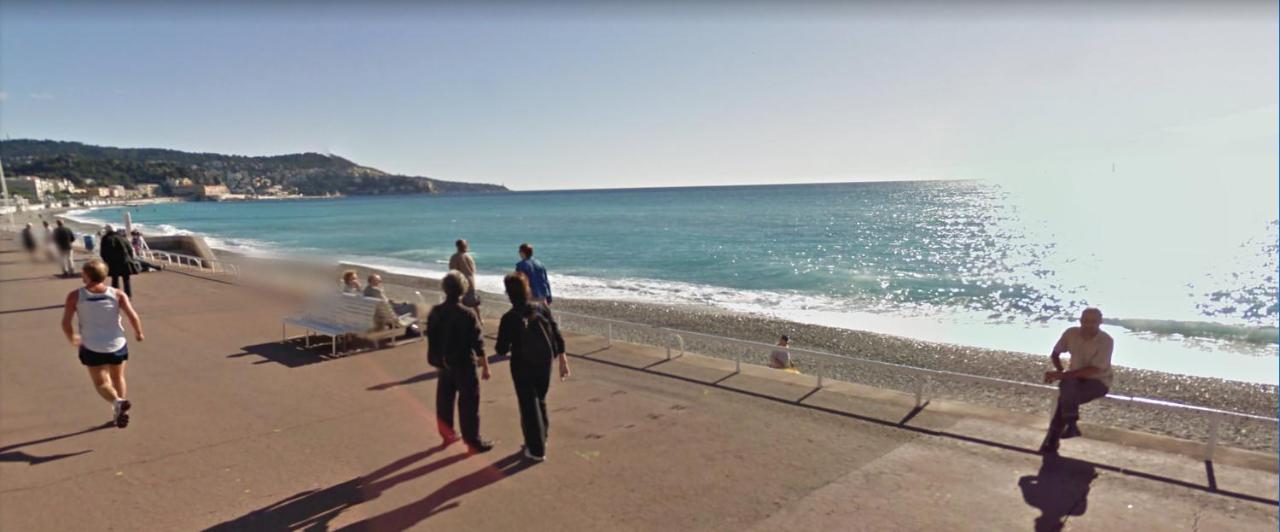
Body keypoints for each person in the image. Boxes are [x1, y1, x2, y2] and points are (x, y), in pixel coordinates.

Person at [60, 259, 145, 428]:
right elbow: (133, 316)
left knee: (101, 383)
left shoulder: (75, 296)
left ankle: (117, 402)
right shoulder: (118, 294)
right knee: (118, 377)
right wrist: (139, 333)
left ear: (86, 276)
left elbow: (66, 323)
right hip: (117, 344)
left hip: (92, 346)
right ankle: (121, 409)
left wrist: (72, 337)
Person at [495, 272, 570, 462]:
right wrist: (562, 358)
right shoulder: (541, 308)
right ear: (526, 289)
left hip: (522, 365)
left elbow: (501, 349)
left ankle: (536, 449)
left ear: (509, 294)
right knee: (540, 399)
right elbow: (556, 332)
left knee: (528, 405)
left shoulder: (509, 317)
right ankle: (540, 438)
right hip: (544, 362)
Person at [426, 270, 494, 453]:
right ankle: (472, 440)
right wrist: (485, 366)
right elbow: (478, 343)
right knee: (469, 403)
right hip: (464, 363)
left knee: (444, 401)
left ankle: (447, 434)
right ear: (462, 290)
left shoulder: (436, 311)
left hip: (444, 363)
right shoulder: (468, 314)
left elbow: (431, 335)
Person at [1038, 307, 1114, 455]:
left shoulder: (1106, 341)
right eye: (1086, 321)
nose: (1089, 324)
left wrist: (1061, 376)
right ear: (1080, 321)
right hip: (1074, 379)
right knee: (1068, 388)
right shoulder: (1071, 333)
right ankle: (1070, 426)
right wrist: (1060, 371)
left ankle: (1053, 440)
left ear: (1100, 322)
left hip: (1098, 382)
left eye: (1093, 321)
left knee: (1066, 396)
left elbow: (1094, 370)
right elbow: (1055, 354)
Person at [449, 239, 482, 321]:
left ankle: (476, 318)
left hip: (462, 283)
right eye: (465, 245)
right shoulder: (467, 256)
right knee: (473, 302)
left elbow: (452, 270)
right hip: (468, 282)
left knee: (462, 302)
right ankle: (478, 319)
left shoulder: (455, 257)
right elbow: (473, 271)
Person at [98, 225, 135, 297]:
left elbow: (103, 252)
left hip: (113, 262)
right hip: (125, 261)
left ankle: (115, 295)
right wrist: (131, 259)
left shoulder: (106, 238)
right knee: (126, 279)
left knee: (115, 279)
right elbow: (130, 249)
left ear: (107, 230)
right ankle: (128, 296)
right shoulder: (123, 237)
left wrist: (106, 261)